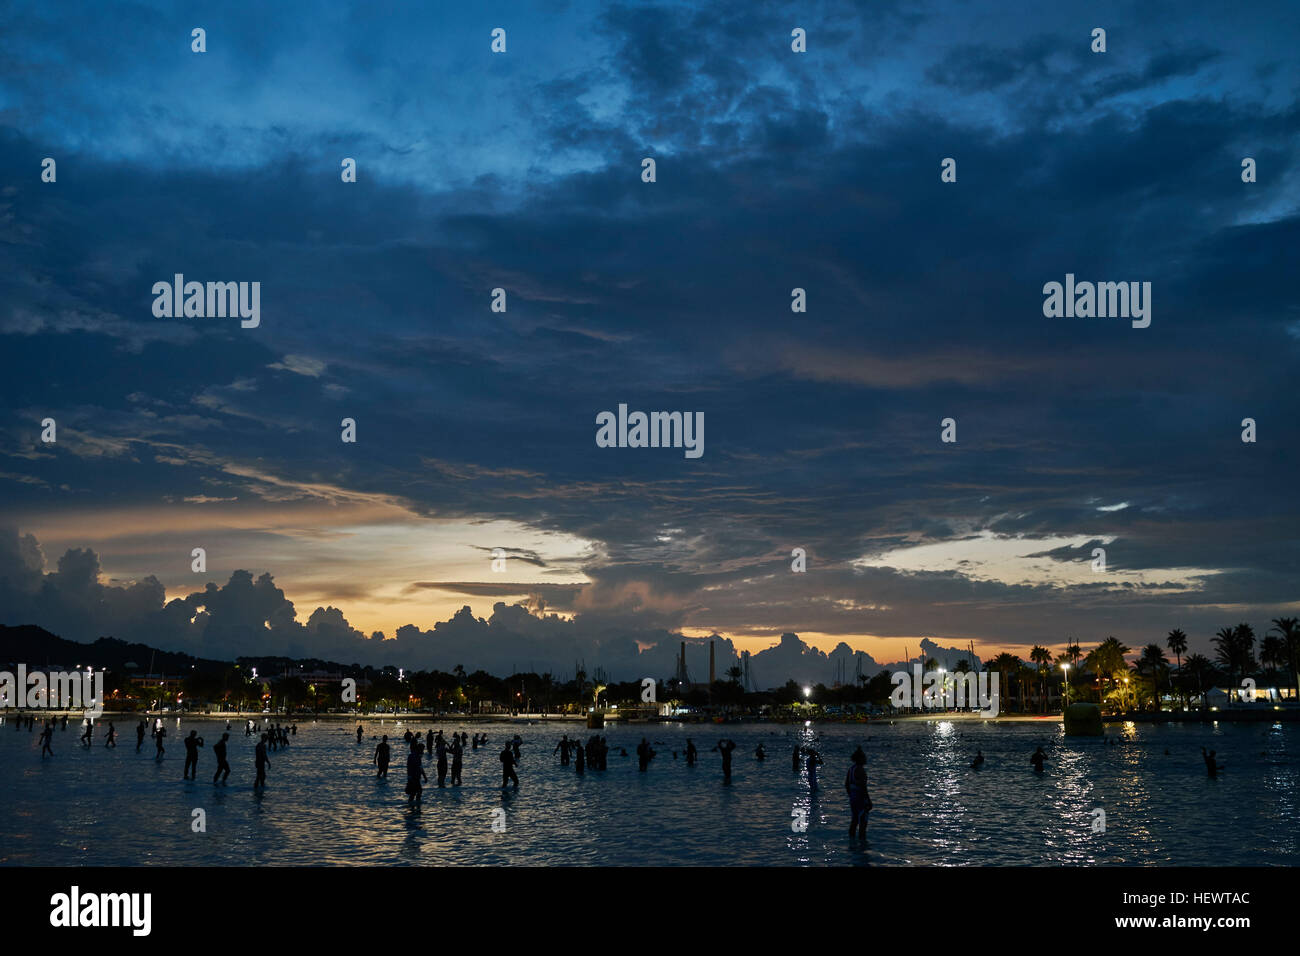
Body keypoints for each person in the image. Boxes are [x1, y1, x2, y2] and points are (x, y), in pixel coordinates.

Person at [845, 747, 872, 839]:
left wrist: (851, 795)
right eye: (864, 757)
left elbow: (846, 784)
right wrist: (868, 800)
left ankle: (851, 843)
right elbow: (863, 787)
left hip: (853, 798)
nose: (865, 759)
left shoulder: (851, 769)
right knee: (863, 822)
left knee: (854, 820)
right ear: (860, 758)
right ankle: (862, 845)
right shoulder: (861, 770)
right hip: (860, 799)